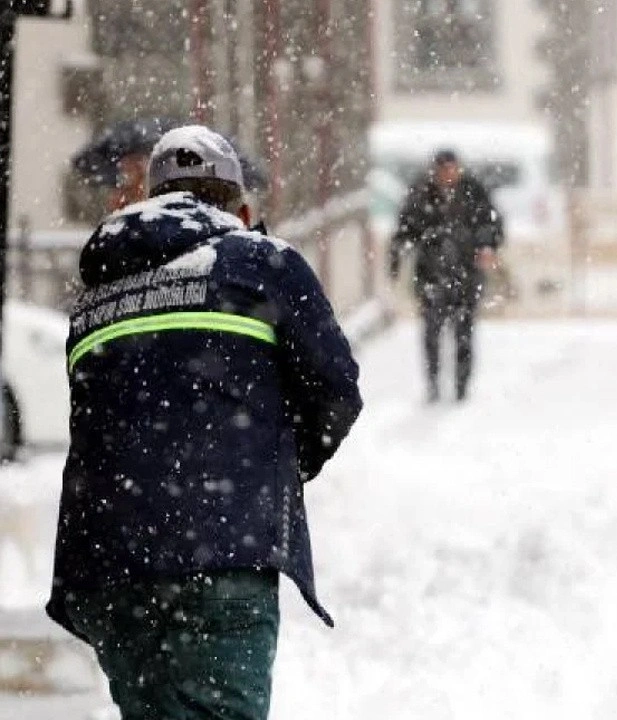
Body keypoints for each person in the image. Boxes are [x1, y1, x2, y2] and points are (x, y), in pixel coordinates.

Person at [46, 125, 363, 720]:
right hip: (218, 555)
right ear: (241, 209)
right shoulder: (262, 262)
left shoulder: (97, 294)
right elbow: (336, 391)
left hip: (108, 566)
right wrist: (277, 466)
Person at [389, 149, 503, 403]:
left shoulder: (473, 191)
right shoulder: (421, 194)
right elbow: (406, 229)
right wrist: (397, 258)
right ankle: (433, 384)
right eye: (443, 170)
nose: (448, 175)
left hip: (466, 274)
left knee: (464, 332)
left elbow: (490, 223)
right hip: (431, 275)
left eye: (452, 170)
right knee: (431, 332)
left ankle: (461, 386)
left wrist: (486, 246)